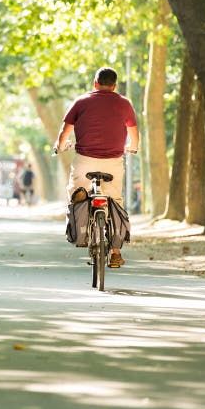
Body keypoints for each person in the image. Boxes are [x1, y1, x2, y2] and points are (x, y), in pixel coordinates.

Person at [54, 67, 139, 268]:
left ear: (95, 83)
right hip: (113, 162)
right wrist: (133, 148)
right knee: (115, 201)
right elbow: (133, 133)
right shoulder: (124, 103)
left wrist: (59, 146)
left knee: (76, 192)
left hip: (85, 160)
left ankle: (82, 228)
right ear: (115, 85)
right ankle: (116, 252)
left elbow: (65, 131)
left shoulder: (81, 102)